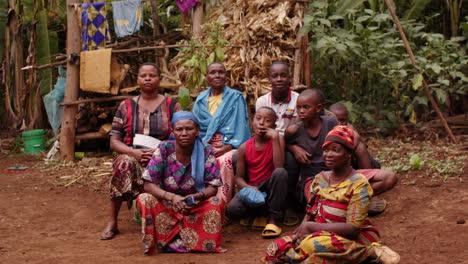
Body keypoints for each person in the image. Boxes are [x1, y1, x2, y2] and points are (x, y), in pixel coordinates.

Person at [264, 125, 400, 264]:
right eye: (326, 150)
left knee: (312, 247)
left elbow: (353, 229)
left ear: (349, 154)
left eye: (335, 150)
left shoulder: (359, 184)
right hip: (320, 233)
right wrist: (301, 232)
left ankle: (368, 252)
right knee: (275, 249)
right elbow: (311, 211)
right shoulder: (320, 179)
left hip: (348, 237)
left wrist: (312, 228)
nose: (328, 155)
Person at [100, 62, 181, 240]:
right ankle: (113, 221)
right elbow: (114, 141)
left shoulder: (171, 105)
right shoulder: (126, 106)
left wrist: (160, 152)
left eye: (152, 75)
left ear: (159, 79)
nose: (147, 79)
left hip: (164, 156)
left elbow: (181, 135)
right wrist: (133, 153)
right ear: (137, 80)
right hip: (133, 155)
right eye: (143, 76)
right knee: (123, 163)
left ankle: (172, 217)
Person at [136, 111, 225, 255]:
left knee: (216, 202)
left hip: (195, 204)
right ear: (173, 131)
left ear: (197, 131)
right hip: (167, 203)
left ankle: (184, 241)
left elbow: (213, 187)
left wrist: (196, 197)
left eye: (189, 129)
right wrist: (172, 197)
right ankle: (167, 240)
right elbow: (148, 184)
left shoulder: (206, 150)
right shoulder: (165, 148)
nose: (184, 133)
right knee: (144, 199)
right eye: (179, 129)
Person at [192, 62, 251, 203]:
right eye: (213, 72)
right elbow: (195, 128)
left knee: (224, 161)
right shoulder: (200, 100)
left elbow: (241, 127)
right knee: (194, 158)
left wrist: (227, 147)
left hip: (230, 144)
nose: (217, 75)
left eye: (221, 72)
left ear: (226, 76)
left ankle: (221, 204)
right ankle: (199, 202)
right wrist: (204, 147)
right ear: (207, 77)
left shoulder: (236, 97)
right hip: (205, 143)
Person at [227, 107, 288, 238]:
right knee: (233, 209)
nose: (261, 123)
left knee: (281, 173)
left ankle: (273, 219)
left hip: (271, 186)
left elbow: (279, 166)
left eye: (267, 120)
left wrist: (275, 138)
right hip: (255, 188)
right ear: (252, 121)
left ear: (274, 125)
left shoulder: (278, 140)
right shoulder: (244, 147)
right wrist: (249, 188)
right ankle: (258, 214)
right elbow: (238, 178)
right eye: (258, 118)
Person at [256, 61, 299, 136]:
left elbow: (293, 129)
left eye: (283, 75)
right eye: (274, 76)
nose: (279, 79)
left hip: (291, 140)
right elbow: (262, 128)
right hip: (268, 140)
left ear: (290, 78)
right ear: (269, 79)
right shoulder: (262, 101)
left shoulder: (298, 100)